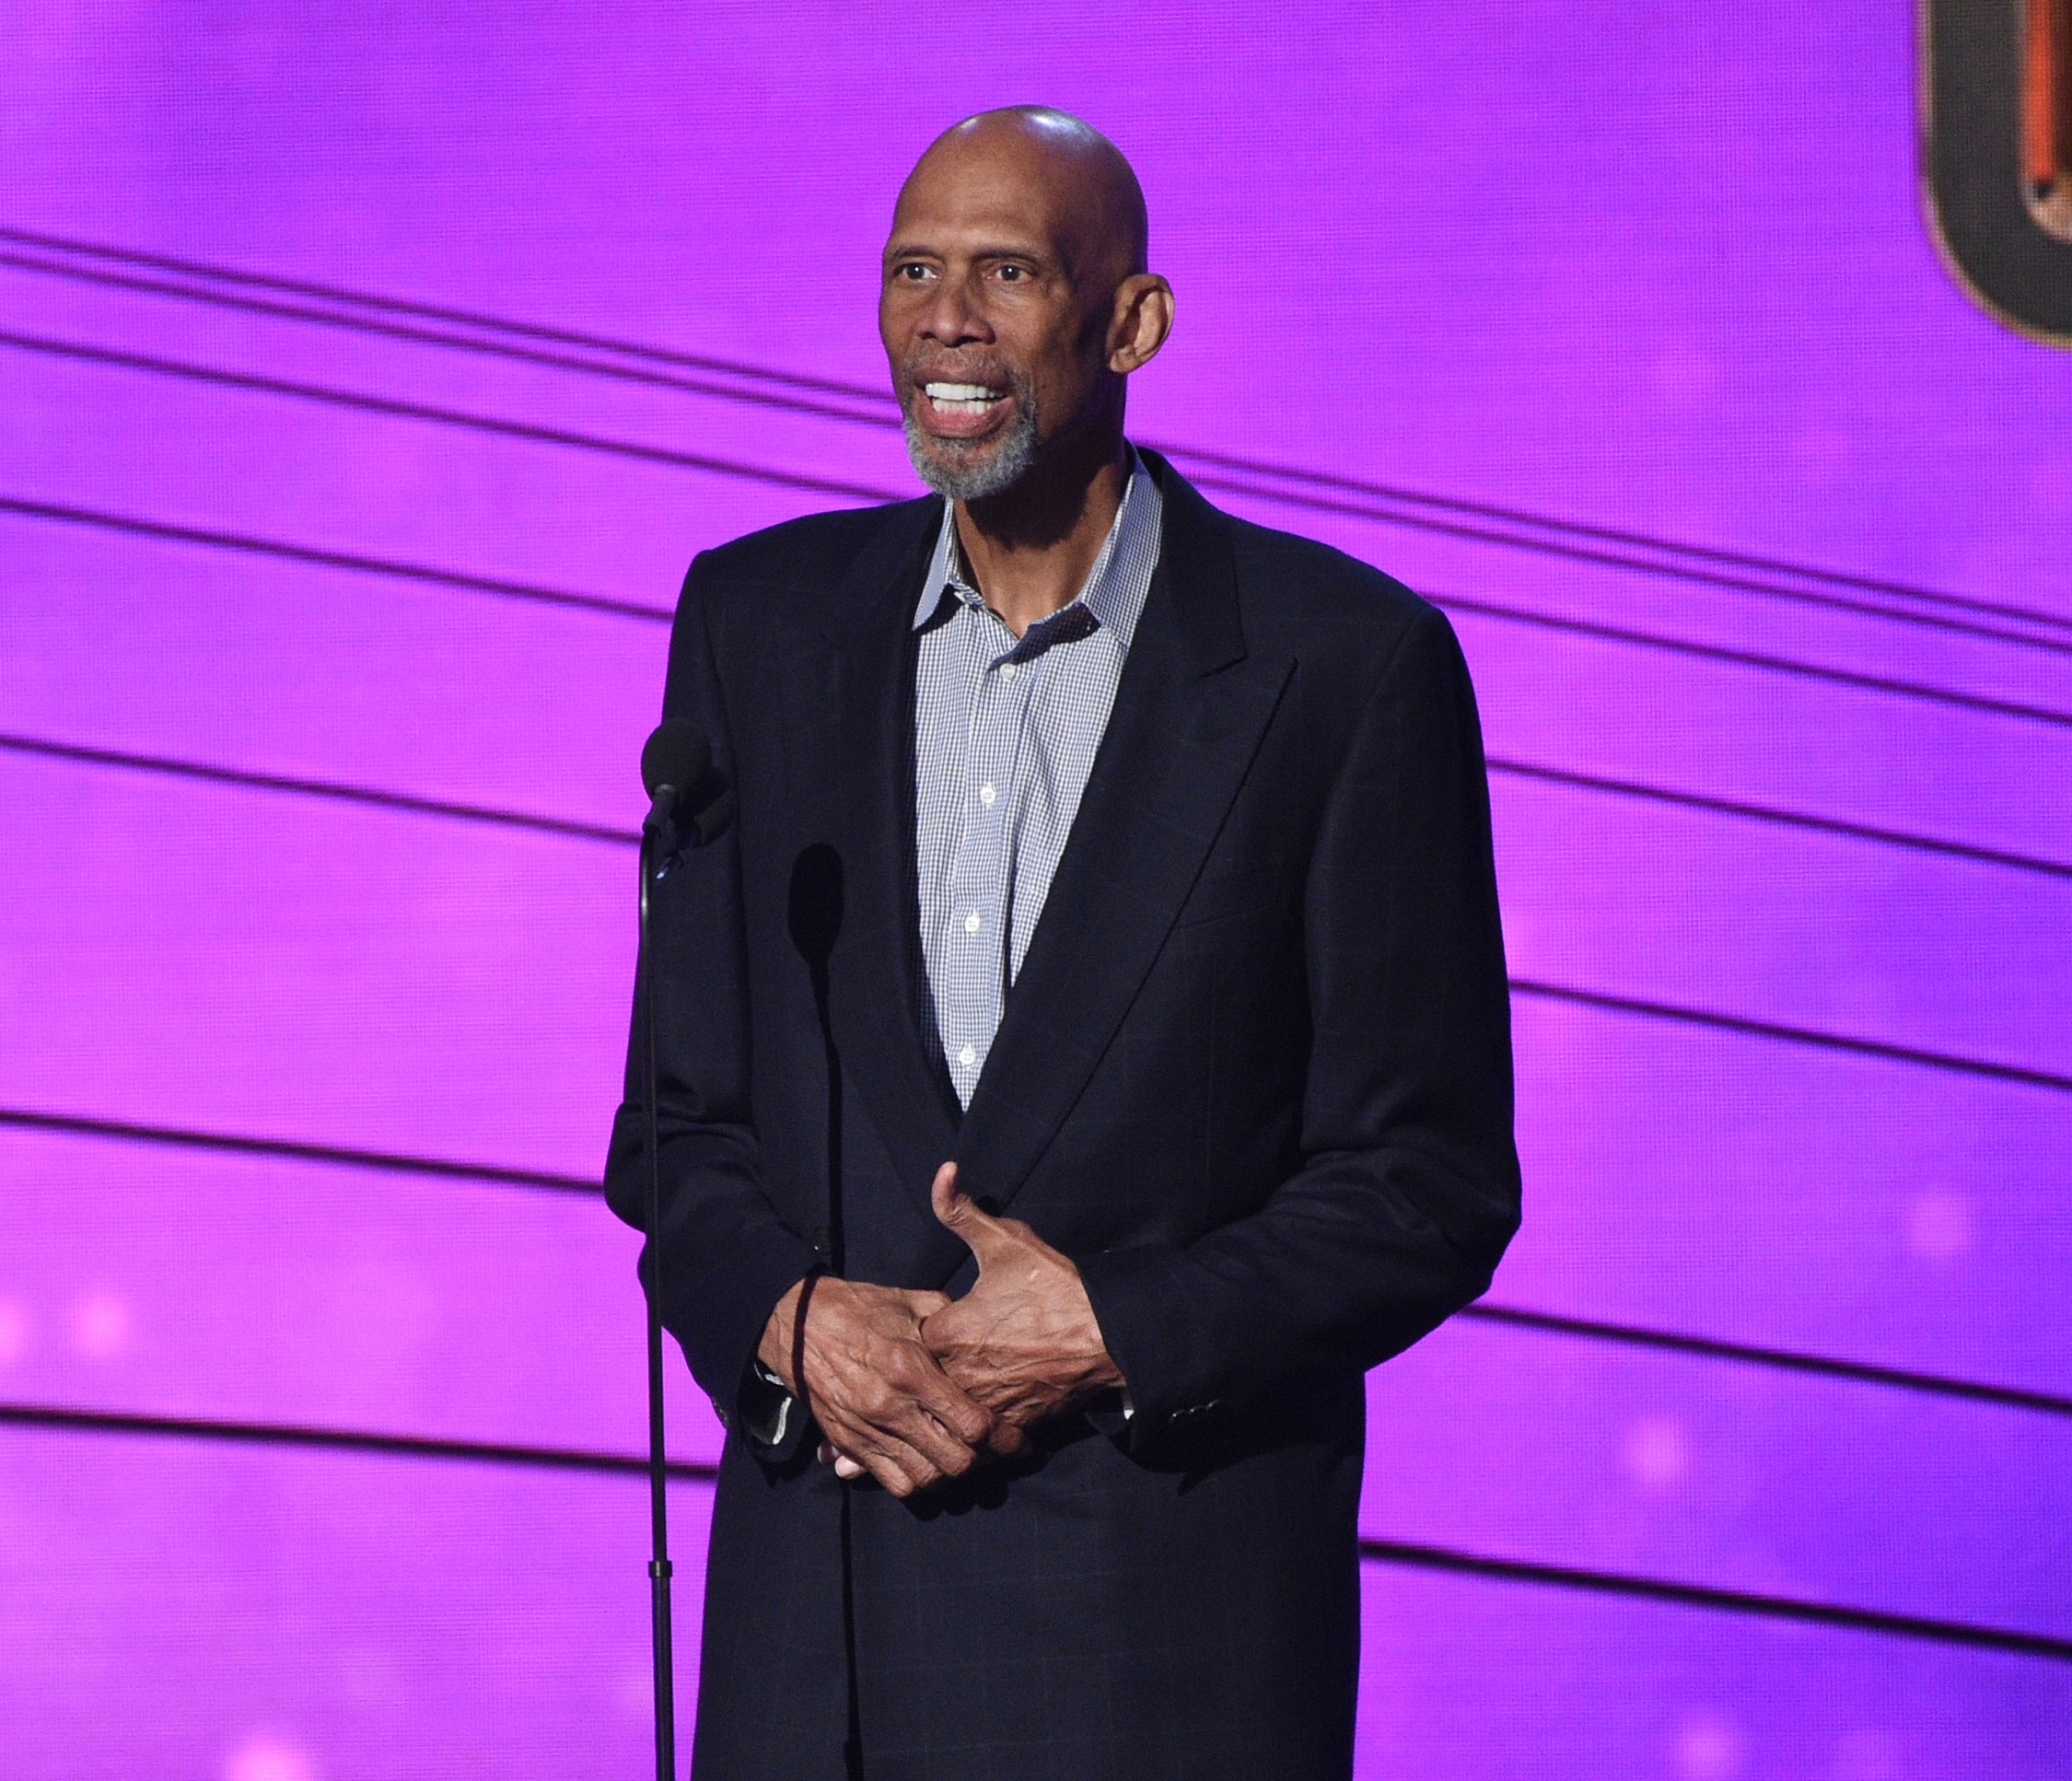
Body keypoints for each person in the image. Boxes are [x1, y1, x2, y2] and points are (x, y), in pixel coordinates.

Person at [603, 105, 1519, 1781]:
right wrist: (789, 1318)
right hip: (819, 1654)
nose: (946, 321)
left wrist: (1116, 1324)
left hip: (1159, 1656)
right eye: (912, 273)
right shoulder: (759, 626)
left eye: (1007, 273)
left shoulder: (1343, 669)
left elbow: (1426, 1180)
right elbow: (674, 1129)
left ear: (1132, 321)